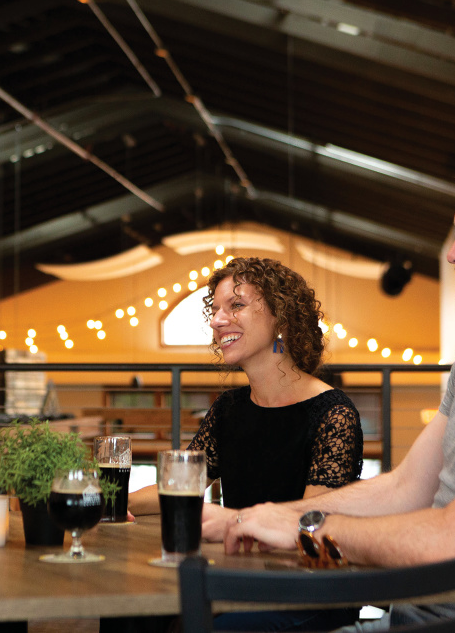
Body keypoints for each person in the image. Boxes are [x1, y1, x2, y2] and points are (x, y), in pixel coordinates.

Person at [226, 145, 455, 633]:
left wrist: (307, 529)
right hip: (418, 618)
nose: (453, 253)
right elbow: (407, 487)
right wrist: (264, 516)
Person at [127, 257, 364, 632]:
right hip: (240, 577)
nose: (218, 320)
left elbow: (311, 523)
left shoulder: (333, 414)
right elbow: (177, 488)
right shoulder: (229, 409)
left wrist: (233, 522)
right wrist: (112, 501)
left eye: (235, 306)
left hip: (311, 590)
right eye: (216, 310)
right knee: (136, 617)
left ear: (282, 319)